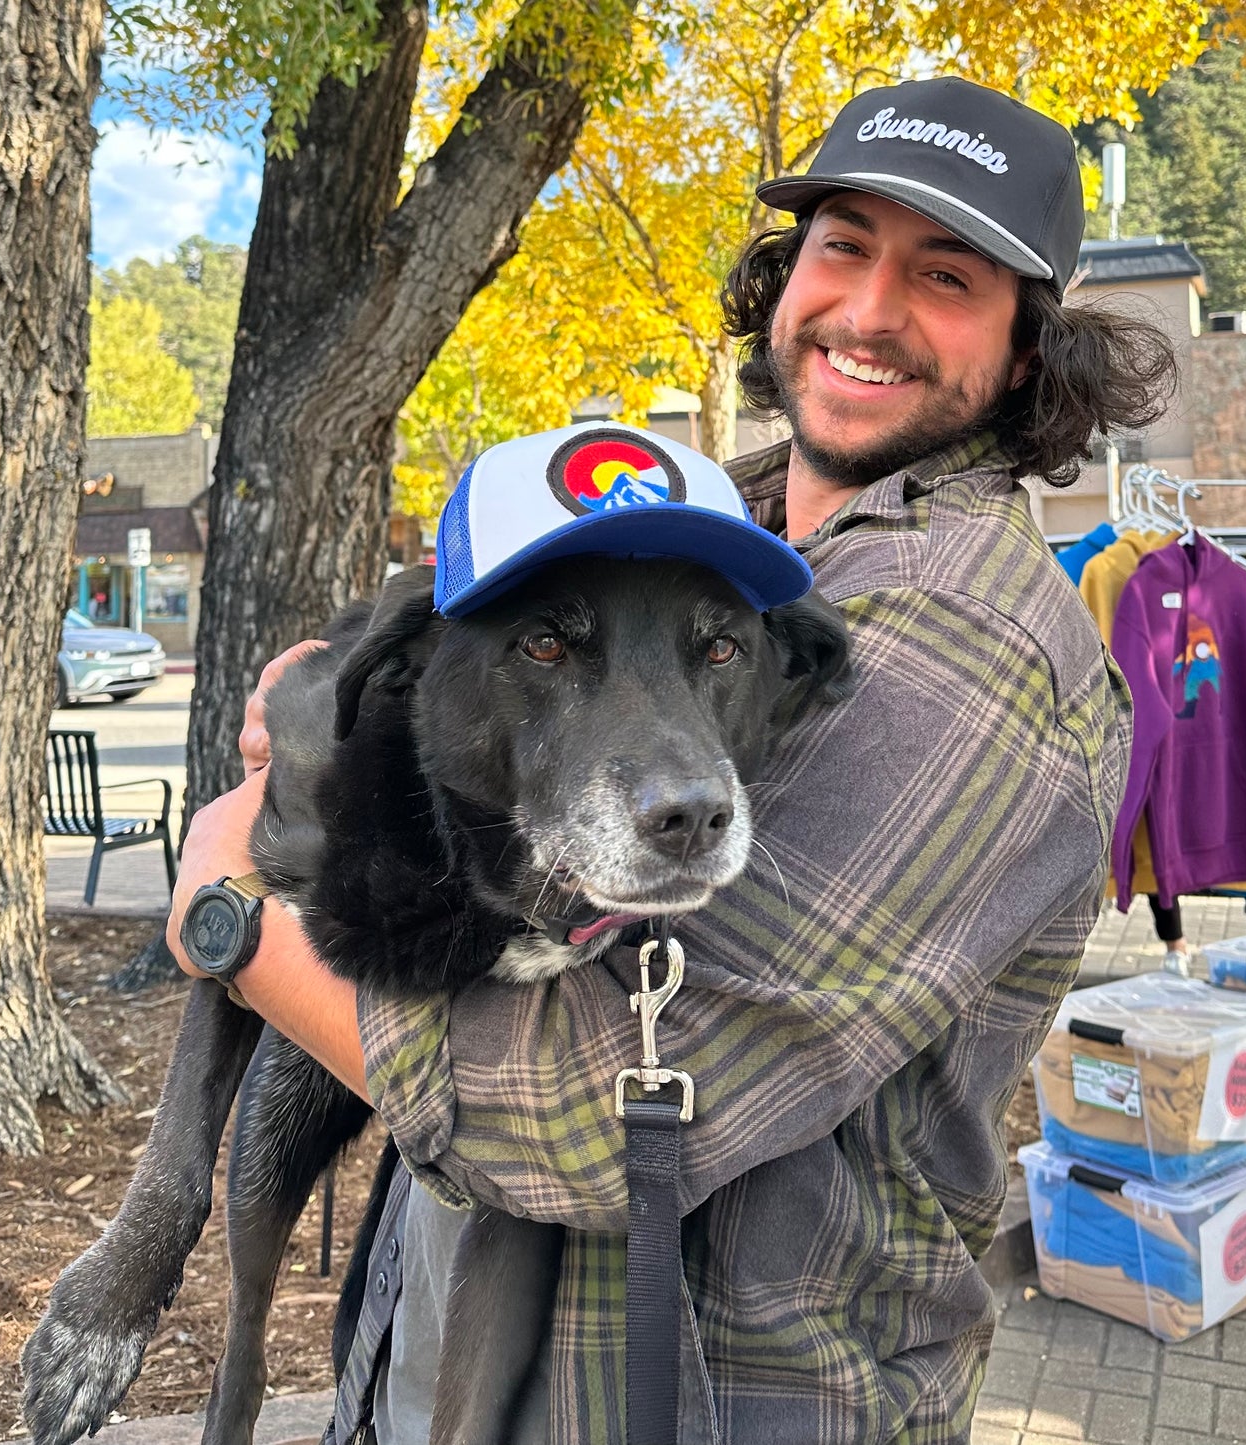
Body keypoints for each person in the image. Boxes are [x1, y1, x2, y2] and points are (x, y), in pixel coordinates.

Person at [168, 77, 1177, 1444]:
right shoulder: (698, 519)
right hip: (462, 1359)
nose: (870, 309)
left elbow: (599, 1118)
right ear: (782, 277)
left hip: (711, 1401)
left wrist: (229, 912)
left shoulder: (967, 635)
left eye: (943, 274)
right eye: (840, 246)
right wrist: (337, 729)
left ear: (1021, 351)